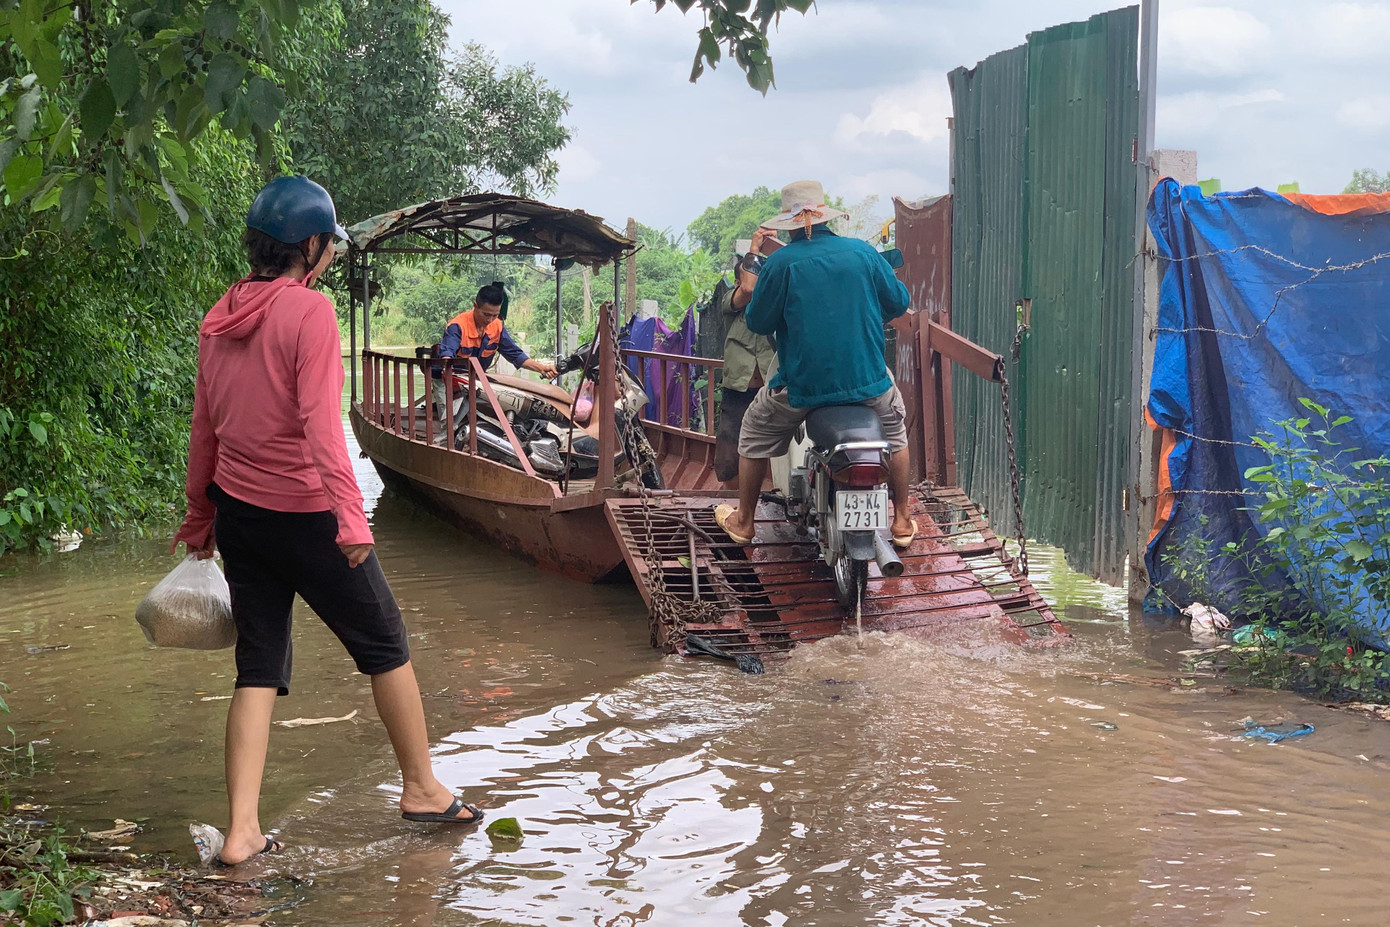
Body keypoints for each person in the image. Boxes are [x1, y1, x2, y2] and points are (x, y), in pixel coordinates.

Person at [173, 176, 484, 868]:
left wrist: (201, 516)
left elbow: (205, 431)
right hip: (310, 517)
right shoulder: (308, 314)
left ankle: (242, 831)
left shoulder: (218, 315)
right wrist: (351, 519)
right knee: (386, 641)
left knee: (257, 666)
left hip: (242, 519)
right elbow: (320, 427)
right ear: (310, 246)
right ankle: (422, 786)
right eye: (326, 248)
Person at [714, 180, 916, 548]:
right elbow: (898, 304)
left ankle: (744, 522)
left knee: (753, 434)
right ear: (825, 215)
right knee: (896, 434)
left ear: (789, 223)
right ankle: (901, 521)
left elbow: (758, 322)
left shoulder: (780, 264)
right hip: (868, 381)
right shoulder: (864, 254)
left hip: (802, 386)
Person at [432, 284, 558, 420]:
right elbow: (447, 355)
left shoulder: (497, 326)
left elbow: (516, 355)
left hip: (475, 380)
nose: (490, 320)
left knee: (480, 418)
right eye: (486, 314)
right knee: (450, 421)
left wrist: (542, 369)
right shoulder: (457, 326)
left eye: (495, 315)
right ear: (475, 306)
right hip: (446, 380)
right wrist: (449, 368)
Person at [714, 236, 780, 490]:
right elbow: (748, 291)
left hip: (770, 392)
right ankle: (734, 503)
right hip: (739, 391)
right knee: (730, 452)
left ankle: (771, 496)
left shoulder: (773, 308)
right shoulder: (730, 302)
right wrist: (754, 250)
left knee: (773, 450)